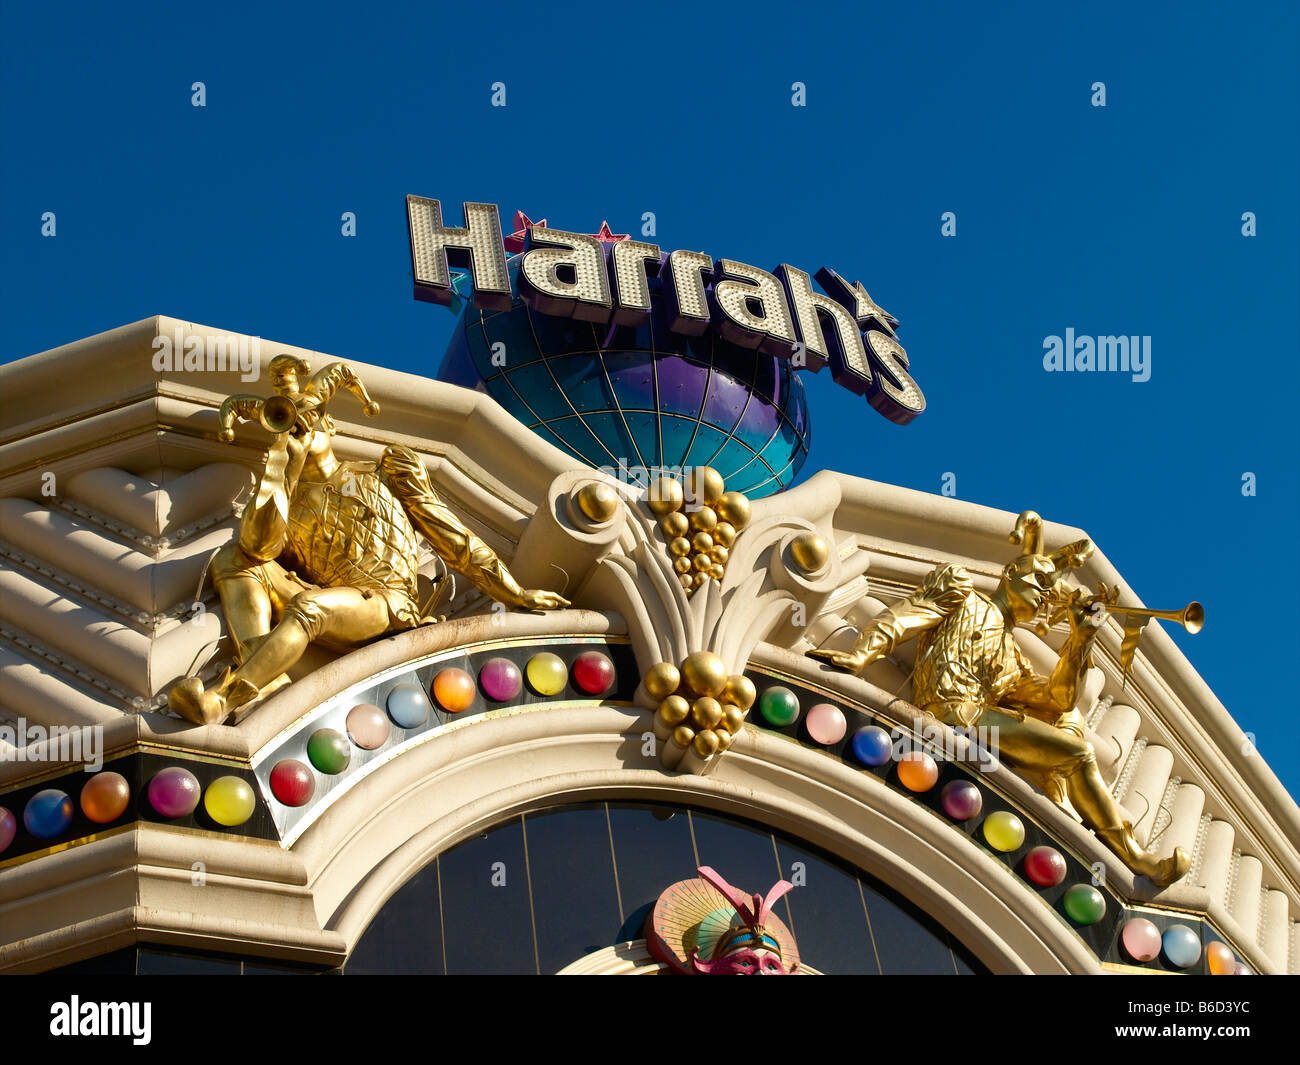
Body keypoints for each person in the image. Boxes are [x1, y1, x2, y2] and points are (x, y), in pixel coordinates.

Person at [168, 355, 568, 725]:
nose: (300, 429)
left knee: (310, 607)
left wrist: (513, 592)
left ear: (329, 424)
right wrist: (281, 464)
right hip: (330, 599)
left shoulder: (387, 469)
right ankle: (267, 679)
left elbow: (453, 537)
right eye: (287, 424)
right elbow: (257, 549)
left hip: (388, 603)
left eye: (309, 418)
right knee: (233, 559)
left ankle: (224, 697)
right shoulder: (285, 503)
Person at [809, 510, 1189, 888]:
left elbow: (1059, 698)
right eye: (1040, 581)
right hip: (949, 712)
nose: (1045, 595)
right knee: (1078, 754)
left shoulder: (1014, 657)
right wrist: (860, 654)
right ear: (1011, 574)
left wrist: (1079, 639)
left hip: (978, 723)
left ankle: (1124, 851)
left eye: (1049, 591)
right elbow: (906, 616)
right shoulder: (962, 594)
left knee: (1075, 746)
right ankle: (1133, 856)